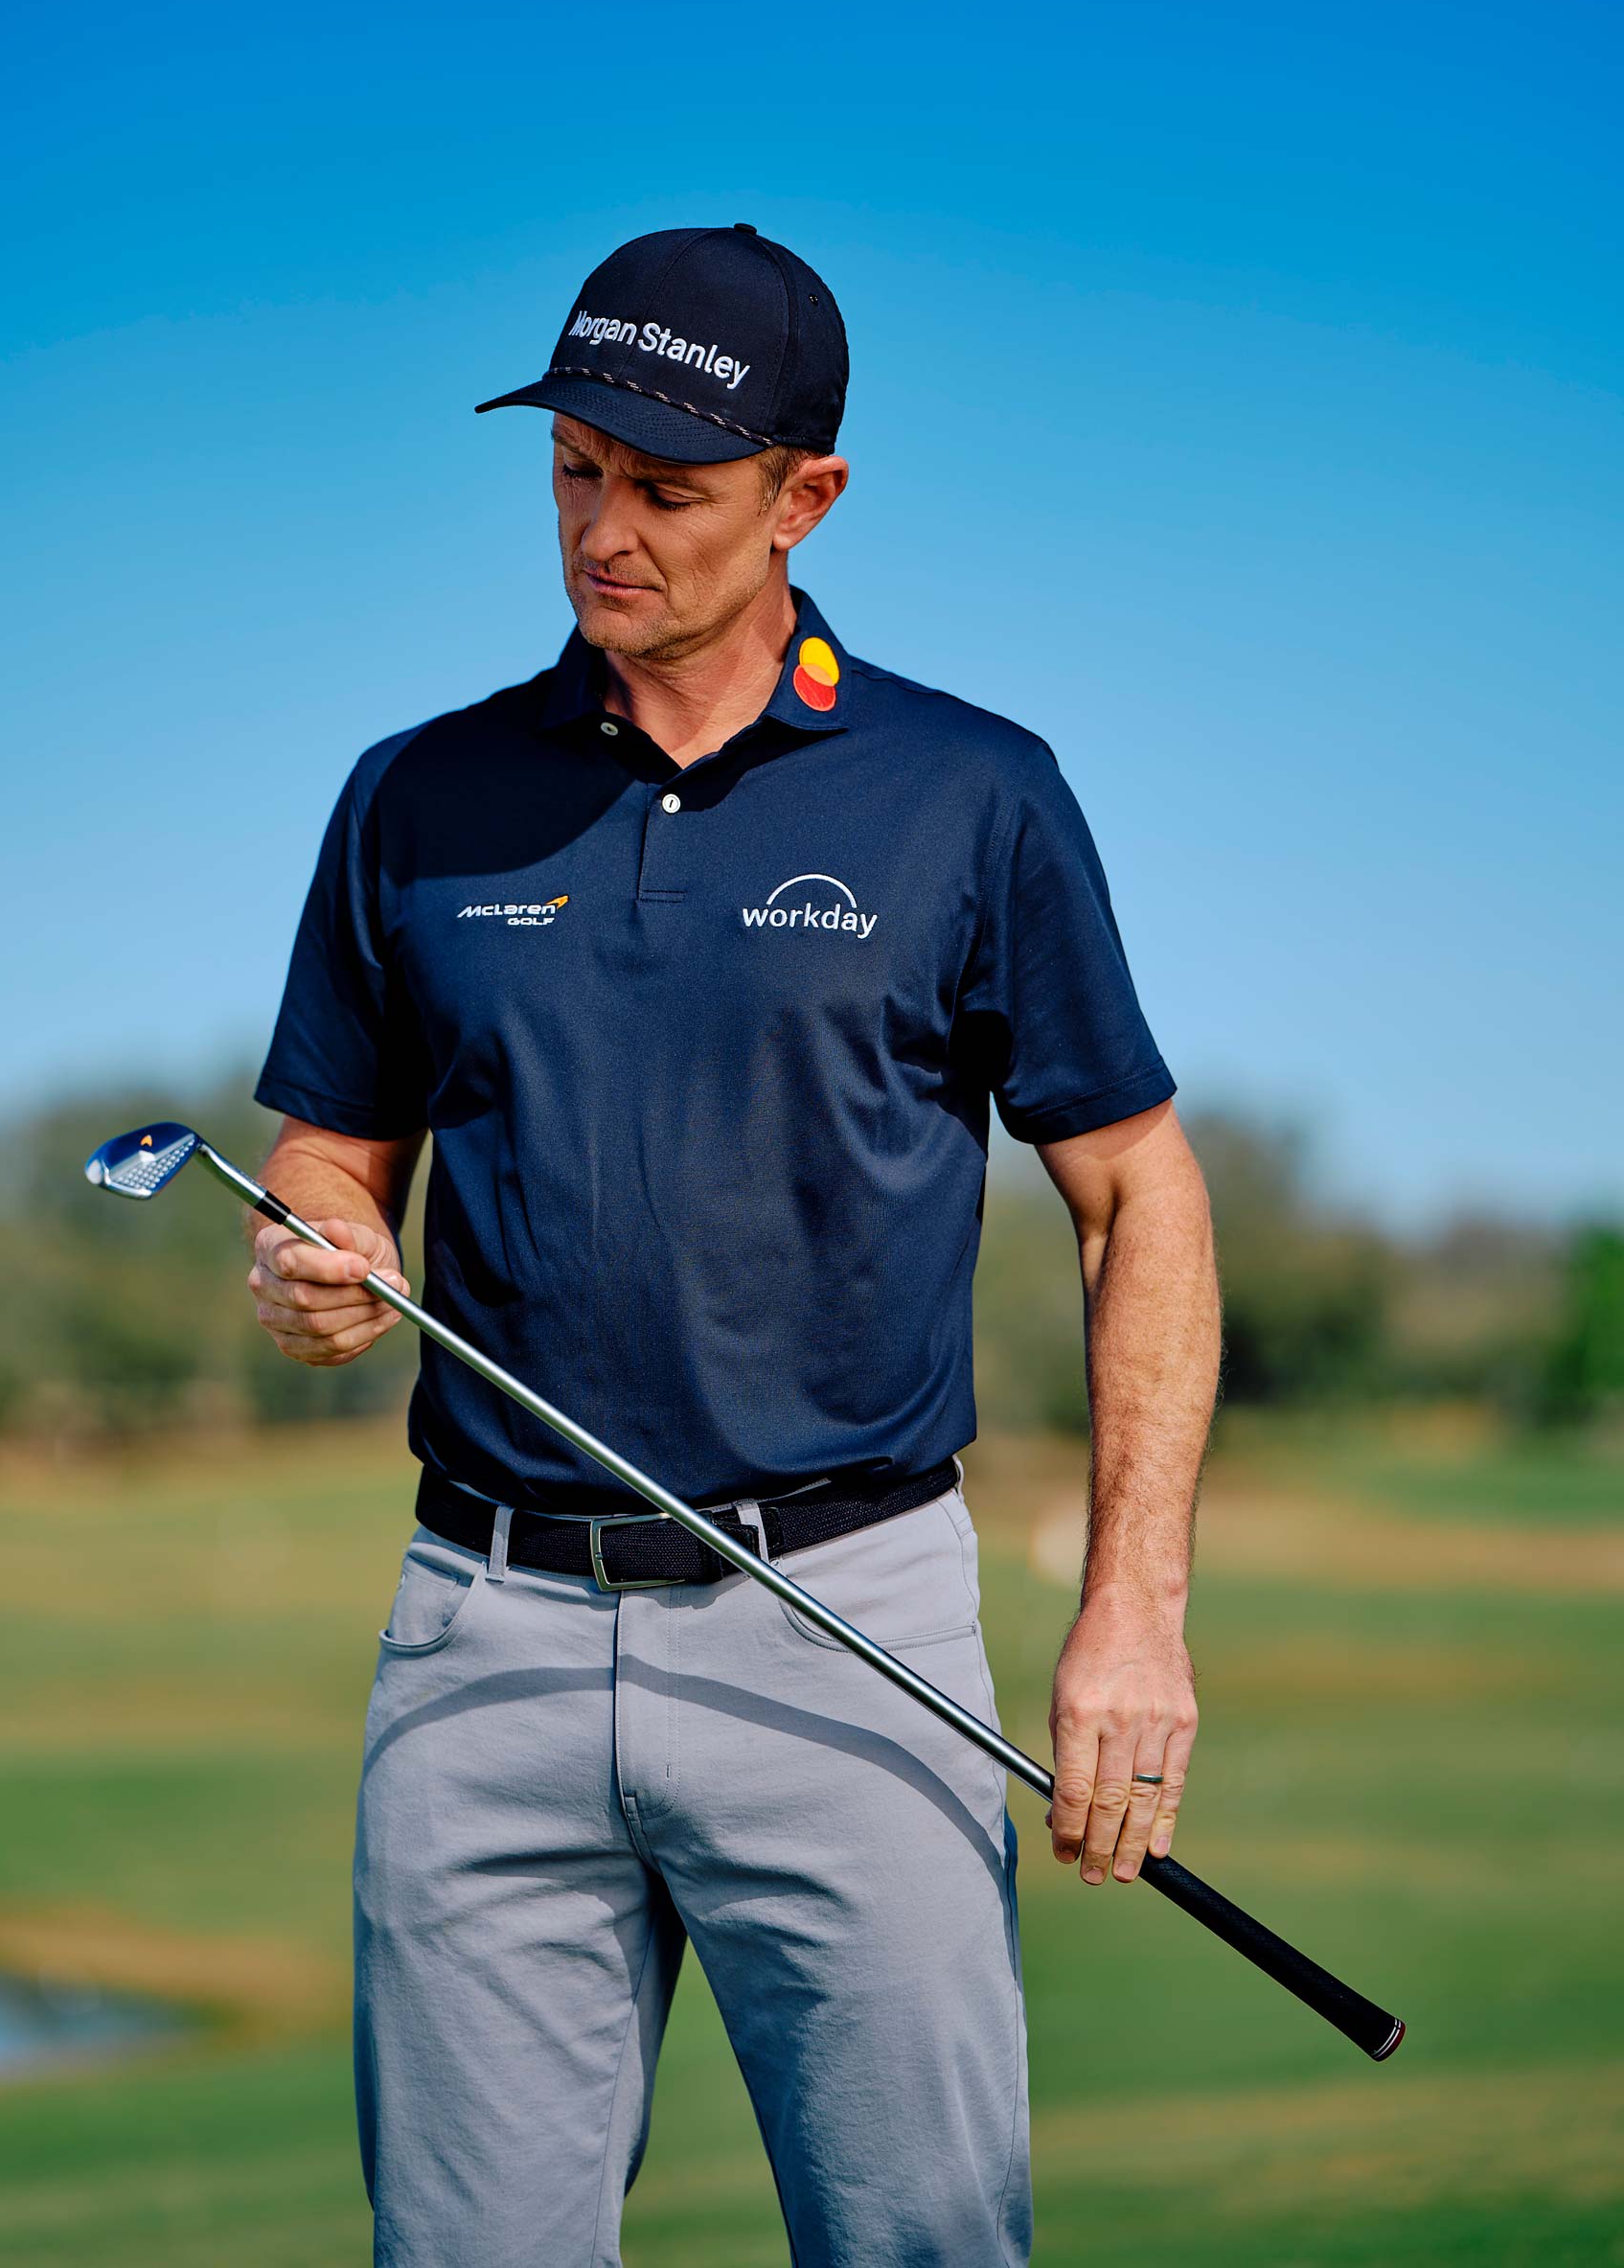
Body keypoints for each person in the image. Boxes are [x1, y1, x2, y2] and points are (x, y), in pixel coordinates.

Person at [245, 224, 1220, 2266]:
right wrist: (320, 1251)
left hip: (843, 1622)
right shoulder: (415, 799)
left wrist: (1131, 1605)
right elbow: (330, 1156)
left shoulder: (970, 794)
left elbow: (1139, 1190)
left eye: (666, 489)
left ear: (806, 498)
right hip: (477, 1639)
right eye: (574, 472)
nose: (603, 530)